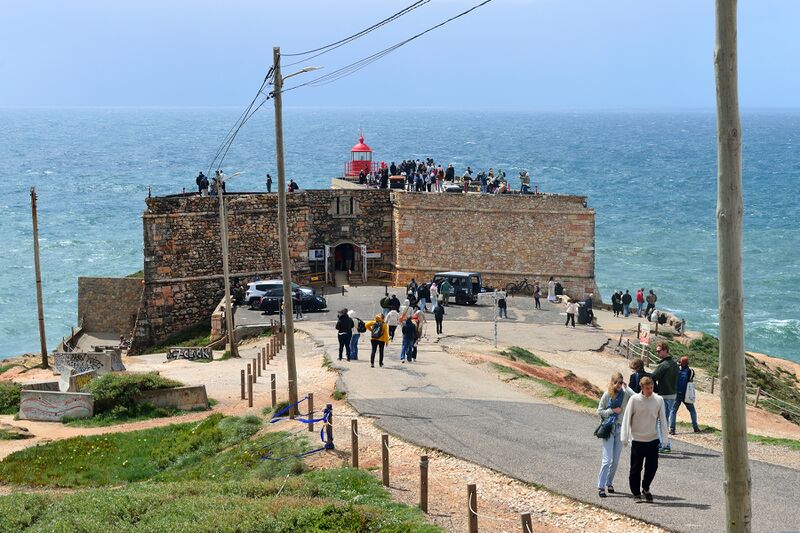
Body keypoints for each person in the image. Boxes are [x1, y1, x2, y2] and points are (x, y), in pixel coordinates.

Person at [621, 376, 668, 503]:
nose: (650, 390)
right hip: (637, 440)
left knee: (652, 467)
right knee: (636, 468)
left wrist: (665, 439)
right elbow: (626, 418)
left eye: (651, 387)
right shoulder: (634, 399)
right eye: (647, 388)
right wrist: (625, 437)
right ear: (642, 388)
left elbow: (663, 420)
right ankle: (636, 493)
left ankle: (646, 487)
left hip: (652, 439)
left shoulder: (659, 400)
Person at [596, 372, 633, 498]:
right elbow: (599, 411)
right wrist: (612, 411)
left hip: (620, 429)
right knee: (607, 460)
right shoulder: (607, 394)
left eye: (621, 382)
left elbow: (636, 397)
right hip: (609, 428)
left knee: (615, 461)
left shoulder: (625, 394)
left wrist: (627, 388)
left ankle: (609, 482)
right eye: (616, 382)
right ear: (612, 382)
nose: (618, 385)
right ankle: (601, 486)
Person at [650, 341, 678, 453]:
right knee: (664, 420)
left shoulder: (664, 365)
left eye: (659, 351)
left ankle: (664, 444)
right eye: (656, 351)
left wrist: (656, 389)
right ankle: (663, 443)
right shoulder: (674, 364)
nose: (657, 353)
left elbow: (653, 377)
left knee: (661, 421)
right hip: (673, 395)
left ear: (665, 350)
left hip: (665, 395)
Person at [670, 356, 701, 434]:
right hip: (686, 394)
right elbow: (691, 378)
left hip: (677, 393)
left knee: (673, 411)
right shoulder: (690, 371)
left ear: (681, 363)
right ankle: (695, 427)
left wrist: (677, 365)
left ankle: (672, 429)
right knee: (692, 410)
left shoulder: (676, 370)